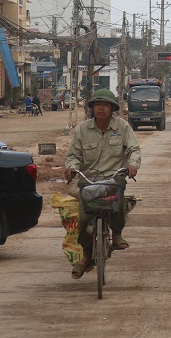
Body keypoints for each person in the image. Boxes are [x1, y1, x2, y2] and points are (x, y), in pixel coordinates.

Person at [63, 89, 141, 279]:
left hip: (114, 179)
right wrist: (71, 167)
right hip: (88, 181)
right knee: (82, 221)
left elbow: (134, 149)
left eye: (105, 105)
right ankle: (87, 255)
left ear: (112, 109)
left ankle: (116, 235)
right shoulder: (82, 130)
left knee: (117, 206)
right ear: (92, 108)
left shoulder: (122, 127)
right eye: (97, 104)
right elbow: (73, 155)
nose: (101, 108)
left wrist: (132, 165)